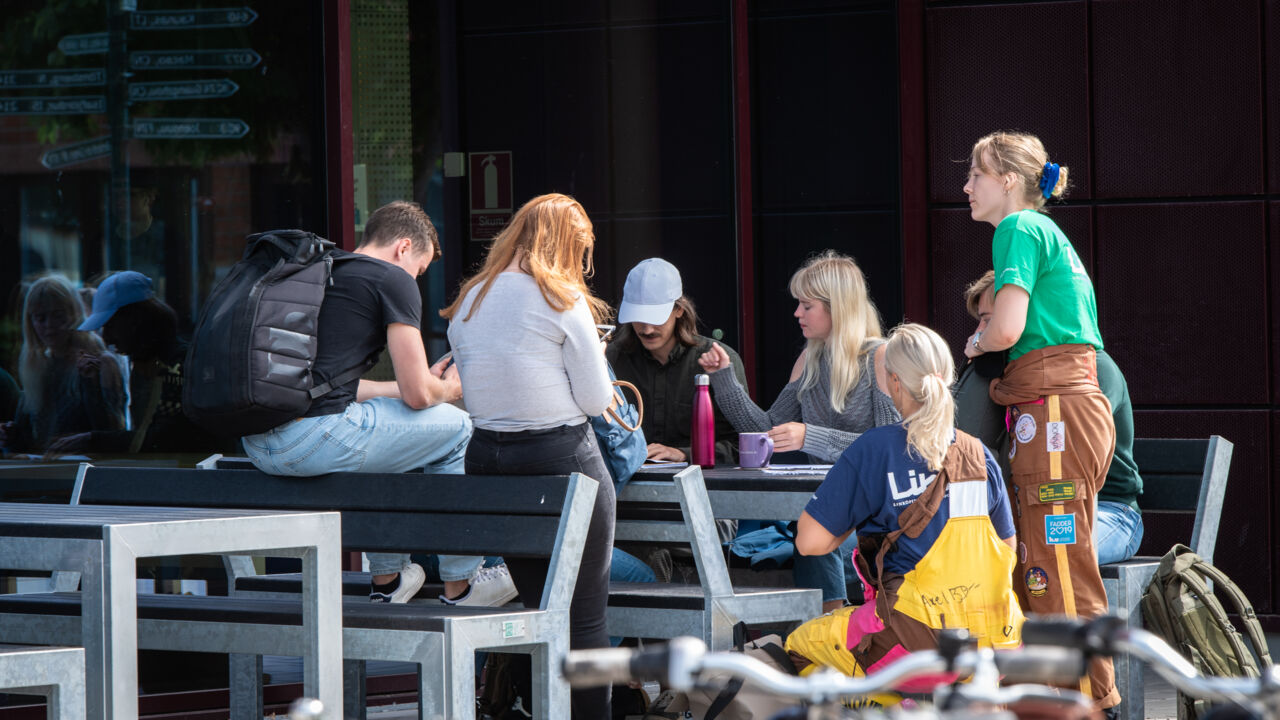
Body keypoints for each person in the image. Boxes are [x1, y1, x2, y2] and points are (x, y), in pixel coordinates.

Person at [241, 201, 514, 608]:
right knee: (459, 429)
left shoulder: (321, 273)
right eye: (419, 270)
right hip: (313, 441)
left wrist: (412, 389)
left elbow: (334, 388)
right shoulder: (392, 279)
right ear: (404, 247)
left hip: (261, 444)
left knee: (394, 429)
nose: (415, 279)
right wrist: (448, 390)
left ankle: (389, 580)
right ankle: (464, 584)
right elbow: (419, 395)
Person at [962, 131, 1119, 713]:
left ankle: (1093, 705)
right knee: (1045, 566)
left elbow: (1006, 328)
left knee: (1057, 569)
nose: (966, 186)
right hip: (1054, 408)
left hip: (1053, 411)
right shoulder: (1040, 230)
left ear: (1007, 179)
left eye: (975, 174)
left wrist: (977, 344)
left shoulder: (1018, 227)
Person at [444, 192, 616, 719]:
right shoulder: (562, 299)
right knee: (583, 620)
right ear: (569, 246)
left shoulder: (470, 298)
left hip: (488, 462)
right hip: (561, 460)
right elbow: (595, 401)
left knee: (541, 611)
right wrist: (597, 356)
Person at [784, 324, 1022, 685]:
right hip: (995, 643)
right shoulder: (979, 454)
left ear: (894, 382)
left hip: (913, 644)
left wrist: (852, 522)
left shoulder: (875, 449)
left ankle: (895, 705)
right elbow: (1006, 549)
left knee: (799, 645)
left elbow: (809, 542)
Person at [699, 250, 899, 613]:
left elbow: (889, 448)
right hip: (825, 507)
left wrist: (810, 437)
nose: (797, 313)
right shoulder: (809, 359)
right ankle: (825, 631)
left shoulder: (880, 357)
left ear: (838, 308)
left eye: (807, 306)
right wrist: (724, 379)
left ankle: (828, 630)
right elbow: (765, 432)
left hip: (876, 512)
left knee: (814, 535)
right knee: (811, 532)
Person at [956, 271, 1144, 566]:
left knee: (1048, 547)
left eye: (989, 320)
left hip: (1110, 512)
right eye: (979, 321)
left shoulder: (1091, 367)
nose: (978, 333)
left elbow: (1065, 457)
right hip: (1034, 510)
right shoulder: (1013, 372)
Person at [40, 271, 204, 456]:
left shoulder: (178, 365)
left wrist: (92, 440)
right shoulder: (145, 366)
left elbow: (165, 439)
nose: (107, 338)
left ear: (136, 321)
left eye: (110, 326)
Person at [608, 258, 747, 464]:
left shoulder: (719, 360)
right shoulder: (612, 359)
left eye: (656, 318)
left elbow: (744, 444)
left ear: (679, 310)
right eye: (638, 317)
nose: (647, 329)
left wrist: (684, 454)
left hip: (704, 481)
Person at [0, 274, 127, 455]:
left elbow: (113, 433)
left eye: (58, 316)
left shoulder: (100, 362)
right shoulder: (36, 365)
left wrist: (90, 384)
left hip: (83, 467)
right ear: (30, 322)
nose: (49, 325)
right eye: (40, 318)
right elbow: (29, 442)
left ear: (74, 314)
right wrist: (10, 435)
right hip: (44, 469)